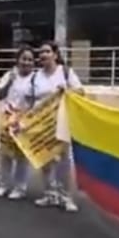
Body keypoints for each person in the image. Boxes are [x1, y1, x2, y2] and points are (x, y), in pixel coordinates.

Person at [32, 41, 83, 212]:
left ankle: (66, 196)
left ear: (55, 54)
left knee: (64, 161)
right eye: (40, 52)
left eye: (47, 51)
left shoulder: (66, 72)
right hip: (42, 125)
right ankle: (49, 193)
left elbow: (81, 92)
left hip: (62, 124)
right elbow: (32, 100)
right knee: (45, 160)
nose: (43, 55)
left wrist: (67, 89)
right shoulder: (35, 77)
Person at [0, 45, 36, 200]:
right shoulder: (10, 75)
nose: (27, 62)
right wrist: (8, 83)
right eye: (24, 59)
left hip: (24, 121)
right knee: (5, 155)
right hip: (7, 119)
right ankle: (3, 185)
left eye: (30, 60)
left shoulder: (35, 79)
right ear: (18, 60)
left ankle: (20, 187)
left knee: (22, 156)